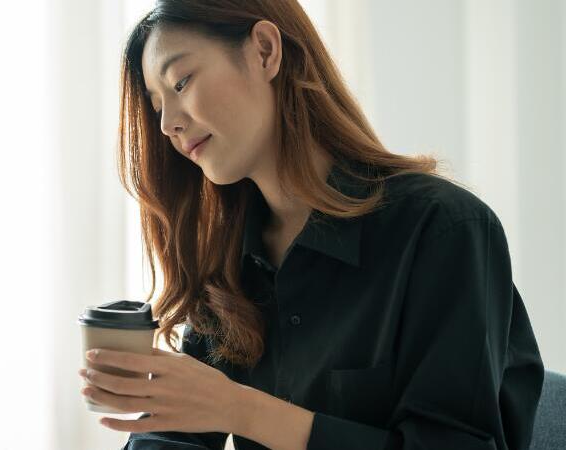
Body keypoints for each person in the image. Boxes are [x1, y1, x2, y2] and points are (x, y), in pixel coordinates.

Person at [77, 1, 545, 449]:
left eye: (180, 83)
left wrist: (240, 409)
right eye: (157, 105)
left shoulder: (442, 230)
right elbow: (178, 433)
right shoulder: (228, 259)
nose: (167, 125)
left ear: (264, 50)